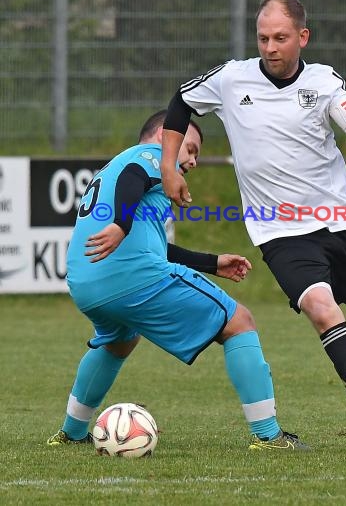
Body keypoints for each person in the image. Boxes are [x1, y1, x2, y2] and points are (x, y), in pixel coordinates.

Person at [160, 0, 346, 444]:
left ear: (303, 37)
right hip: (277, 229)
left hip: (337, 220)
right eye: (263, 37)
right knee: (323, 311)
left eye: (280, 37)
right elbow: (181, 103)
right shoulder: (230, 78)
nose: (269, 46)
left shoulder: (324, 82)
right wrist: (168, 167)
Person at [47, 109, 309, 452]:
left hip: (87, 283)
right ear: (164, 136)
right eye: (191, 148)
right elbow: (133, 176)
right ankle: (269, 435)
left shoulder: (111, 167)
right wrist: (121, 225)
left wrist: (212, 263)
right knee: (239, 321)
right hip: (129, 275)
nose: (194, 160)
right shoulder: (152, 156)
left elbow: (154, 248)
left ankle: (72, 432)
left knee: (118, 341)